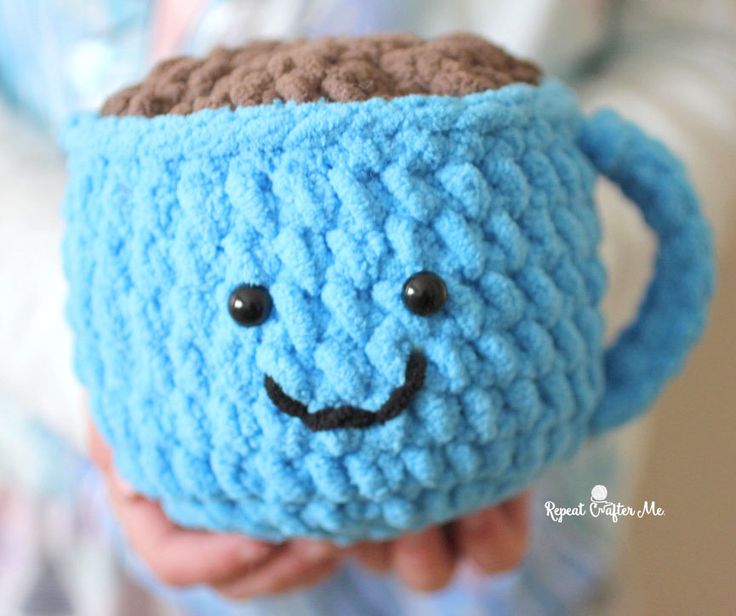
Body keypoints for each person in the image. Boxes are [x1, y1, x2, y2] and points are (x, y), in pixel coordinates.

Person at [0, 1, 733, 614]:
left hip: (537, 550)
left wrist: (536, 269)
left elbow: (703, 46)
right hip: (77, 535)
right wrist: (85, 351)